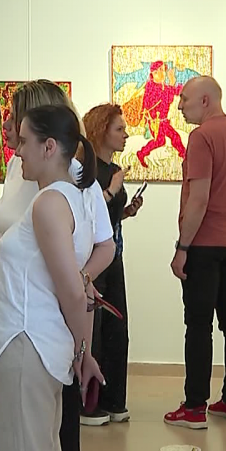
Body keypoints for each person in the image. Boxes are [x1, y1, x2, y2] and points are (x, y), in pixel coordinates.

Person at [0, 104, 115, 451]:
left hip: (26, 345)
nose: (17, 151)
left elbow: (74, 291)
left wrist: (84, 350)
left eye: (23, 141)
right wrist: (82, 350)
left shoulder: (50, 203)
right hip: (36, 346)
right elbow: (79, 287)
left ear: (49, 147)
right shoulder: (70, 197)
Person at [164, 76, 226, 429]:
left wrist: (182, 247)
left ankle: (194, 407)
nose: (180, 106)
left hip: (203, 244)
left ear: (205, 100)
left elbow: (199, 198)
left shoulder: (202, 137)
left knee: (199, 324)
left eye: (185, 99)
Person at [80, 103, 144, 426]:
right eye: (119, 129)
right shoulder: (85, 172)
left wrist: (127, 210)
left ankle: (114, 399)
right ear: (101, 130)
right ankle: (89, 404)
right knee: (95, 330)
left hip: (114, 256)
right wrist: (112, 190)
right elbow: (86, 216)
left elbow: (109, 219)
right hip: (92, 260)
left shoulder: (114, 168)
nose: (125, 135)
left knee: (118, 328)